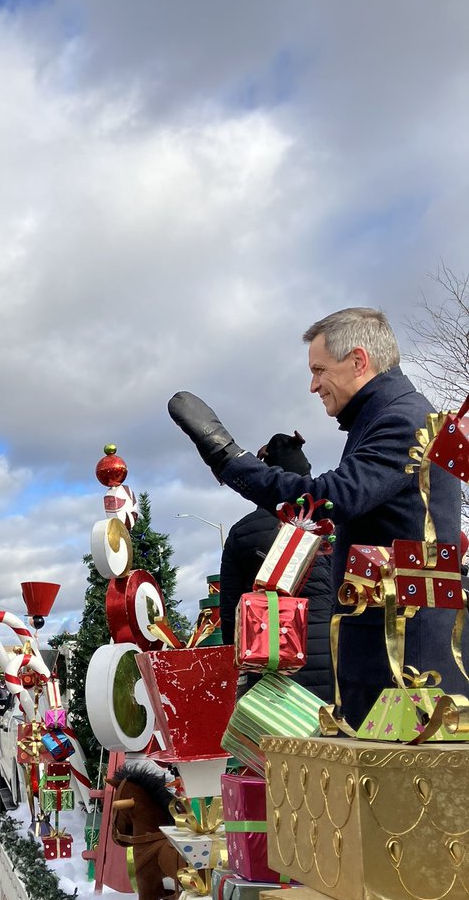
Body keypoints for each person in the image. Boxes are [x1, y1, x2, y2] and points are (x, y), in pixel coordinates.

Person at [168, 306, 467, 726]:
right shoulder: (389, 416)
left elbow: (327, 500)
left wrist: (227, 456)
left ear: (358, 361)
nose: (313, 385)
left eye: (319, 370)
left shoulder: (401, 420)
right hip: (390, 651)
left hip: (405, 665)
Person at [219, 430, 334, 702]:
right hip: (335, 659)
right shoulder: (331, 527)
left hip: (271, 664)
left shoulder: (242, 532)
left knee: (279, 730)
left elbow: (231, 613)